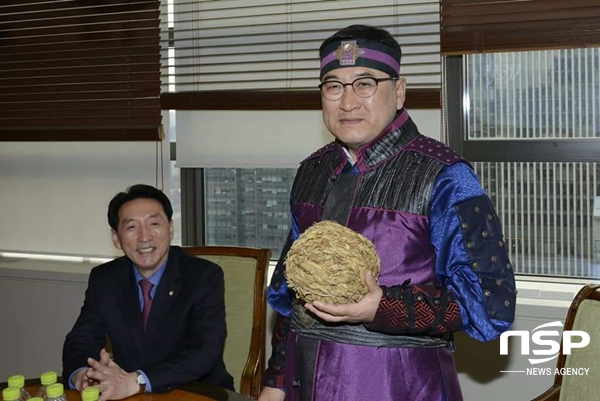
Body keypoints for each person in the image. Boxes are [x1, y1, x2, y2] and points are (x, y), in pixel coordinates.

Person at [258, 25, 516, 401]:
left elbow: (489, 303)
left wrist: (383, 307)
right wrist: (275, 382)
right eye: (333, 86)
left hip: (399, 384)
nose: (347, 103)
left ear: (398, 91)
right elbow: (294, 289)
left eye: (365, 83)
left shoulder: (445, 175)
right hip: (304, 380)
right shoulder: (311, 172)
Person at [62, 184, 234, 400]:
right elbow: (81, 340)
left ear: (170, 228)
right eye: (131, 227)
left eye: (154, 223)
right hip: (129, 396)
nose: (144, 237)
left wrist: (138, 380)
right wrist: (84, 375)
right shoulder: (104, 278)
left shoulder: (203, 275)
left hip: (197, 392)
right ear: (116, 238)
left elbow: (206, 352)